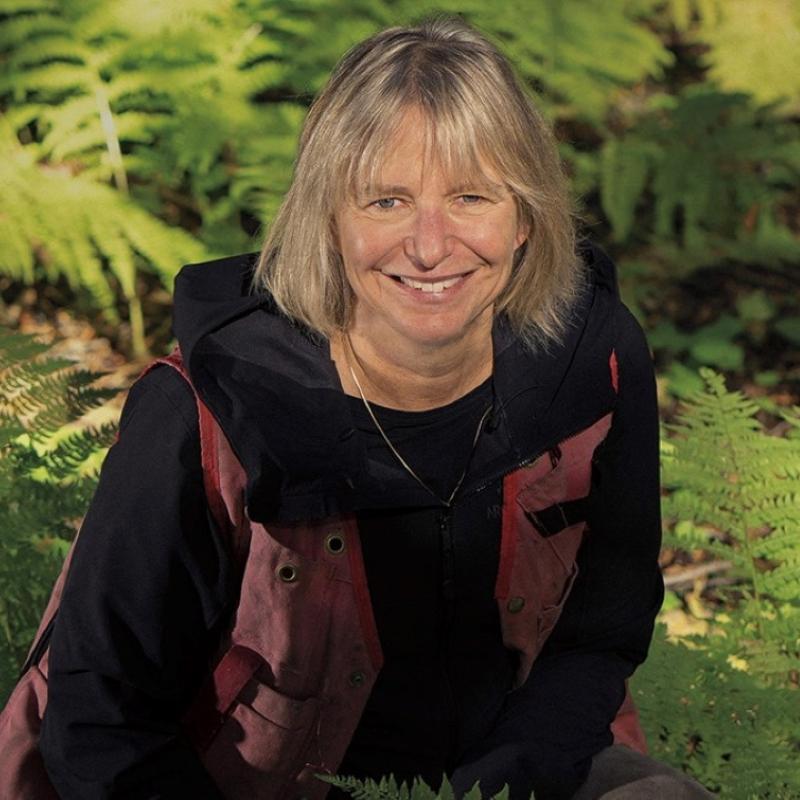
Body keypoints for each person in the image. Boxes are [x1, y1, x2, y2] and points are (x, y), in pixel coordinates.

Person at [35, 15, 712, 800]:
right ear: (328, 218)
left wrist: (496, 788)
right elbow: (97, 723)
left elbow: (603, 628)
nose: (430, 246)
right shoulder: (206, 414)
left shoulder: (593, 360)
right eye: (386, 201)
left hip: (510, 777)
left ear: (525, 216)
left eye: (471, 196)